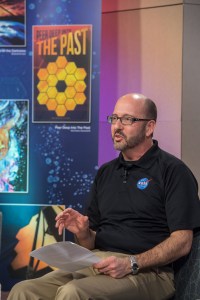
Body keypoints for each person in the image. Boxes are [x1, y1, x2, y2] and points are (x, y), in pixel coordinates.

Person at [8, 93, 200, 300]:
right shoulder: (106, 173)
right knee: (23, 290)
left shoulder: (173, 171)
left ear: (149, 127)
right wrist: (82, 233)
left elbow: (182, 241)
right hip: (99, 262)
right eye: (114, 118)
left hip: (151, 272)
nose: (117, 126)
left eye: (128, 119)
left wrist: (131, 263)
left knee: (73, 292)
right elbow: (90, 243)